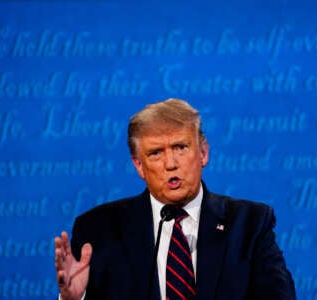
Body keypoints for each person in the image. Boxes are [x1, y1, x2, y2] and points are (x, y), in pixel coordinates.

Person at [54, 98, 296, 300]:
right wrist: (75, 299)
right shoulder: (99, 230)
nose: (171, 164)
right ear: (139, 166)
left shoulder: (250, 224)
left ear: (203, 153)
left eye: (180, 147)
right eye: (156, 153)